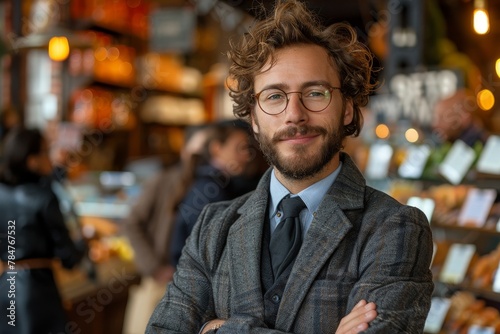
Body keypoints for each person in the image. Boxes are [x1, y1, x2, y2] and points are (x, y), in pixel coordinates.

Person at [147, 1, 433, 333]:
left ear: (348, 110)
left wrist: (216, 329)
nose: (294, 114)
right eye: (274, 96)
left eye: (315, 93)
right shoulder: (213, 226)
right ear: (253, 118)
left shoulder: (395, 228)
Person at [121, 124, 211, 334]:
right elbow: (132, 223)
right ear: (184, 150)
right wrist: (154, 266)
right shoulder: (163, 181)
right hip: (161, 284)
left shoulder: (212, 186)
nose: (203, 156)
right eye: (198, 149)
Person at [0, 126, 86, 334]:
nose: (51, 157)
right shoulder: (44, 197)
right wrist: (83, 242)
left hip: (5, 287)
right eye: (46, 151)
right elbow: (69, 257)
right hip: (37, 293)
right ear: (32, 160)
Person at [169, 119, 256, 267]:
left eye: (247, 149)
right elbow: (209, 256)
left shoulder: (216, 184)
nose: (246, 156)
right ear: (216, 149)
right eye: (239, 149)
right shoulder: (211, 192)